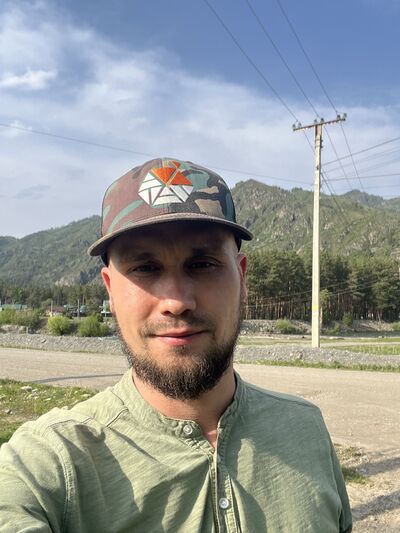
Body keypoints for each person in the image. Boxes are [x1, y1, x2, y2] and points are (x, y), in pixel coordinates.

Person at [0, 158, 352, 532]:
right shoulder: (54, 462)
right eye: (145, 268)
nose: (176, 301)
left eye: (202, 264)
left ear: (242, 278)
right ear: (110, 291)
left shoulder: (305, 428)